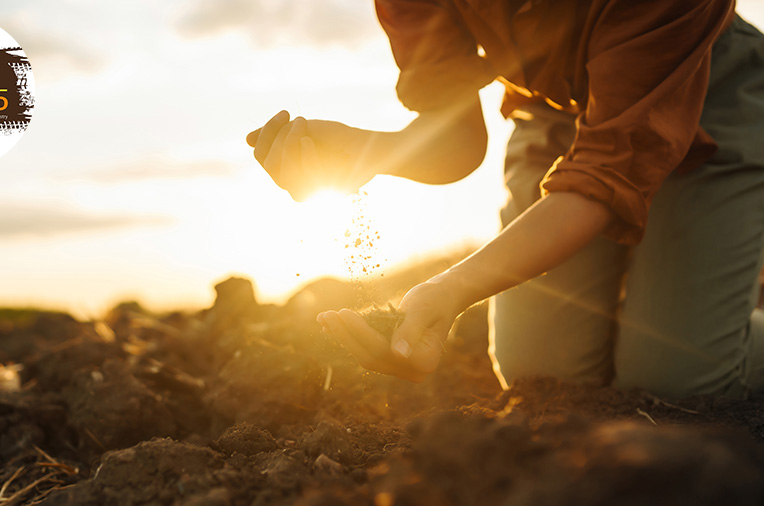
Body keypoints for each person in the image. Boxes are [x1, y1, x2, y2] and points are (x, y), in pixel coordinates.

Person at [246, 0, 764, 399]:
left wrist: (450, 289)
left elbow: (604, 173)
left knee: (677, 381)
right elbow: (457, 141)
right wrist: (364, 151)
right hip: (561, 114)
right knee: (541, 374)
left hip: (707, 95)